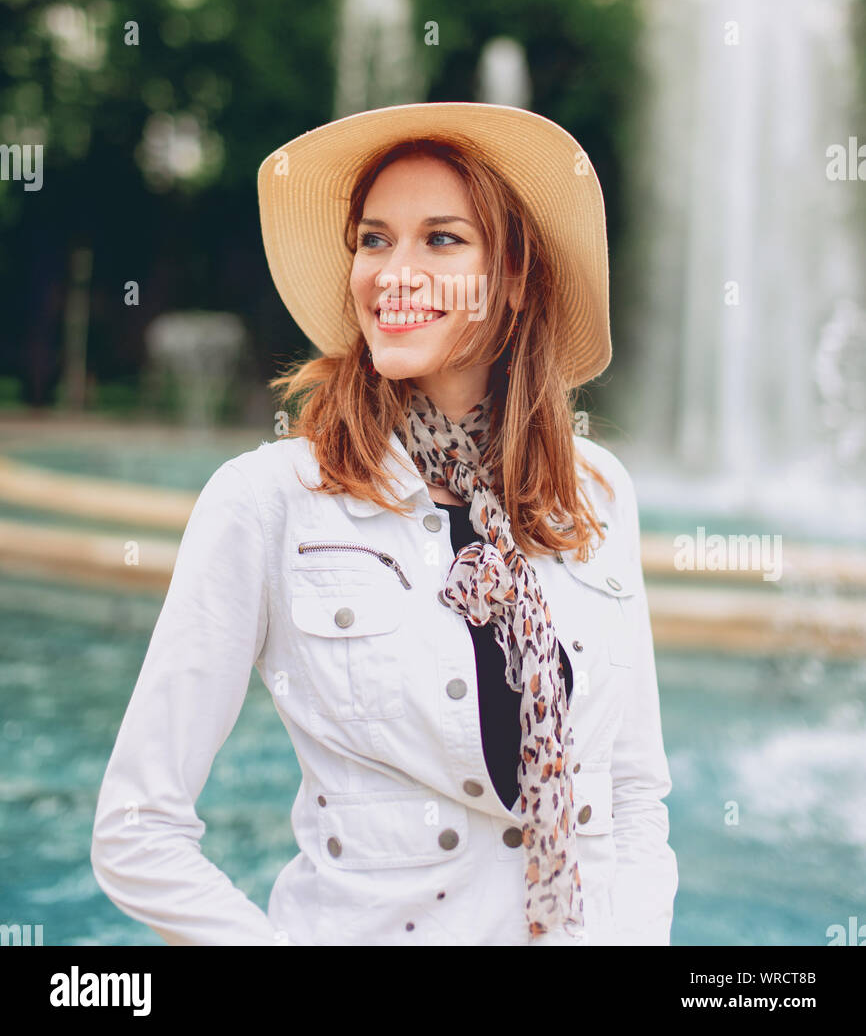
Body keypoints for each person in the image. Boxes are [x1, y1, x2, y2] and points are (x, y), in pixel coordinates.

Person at [91, 100, 678, 946]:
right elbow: (137, 830)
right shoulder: (269, 499)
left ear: (514, 279)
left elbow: (630, 798)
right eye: (374, 239)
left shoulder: (595, 493)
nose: (393, 272)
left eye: (442, 239)